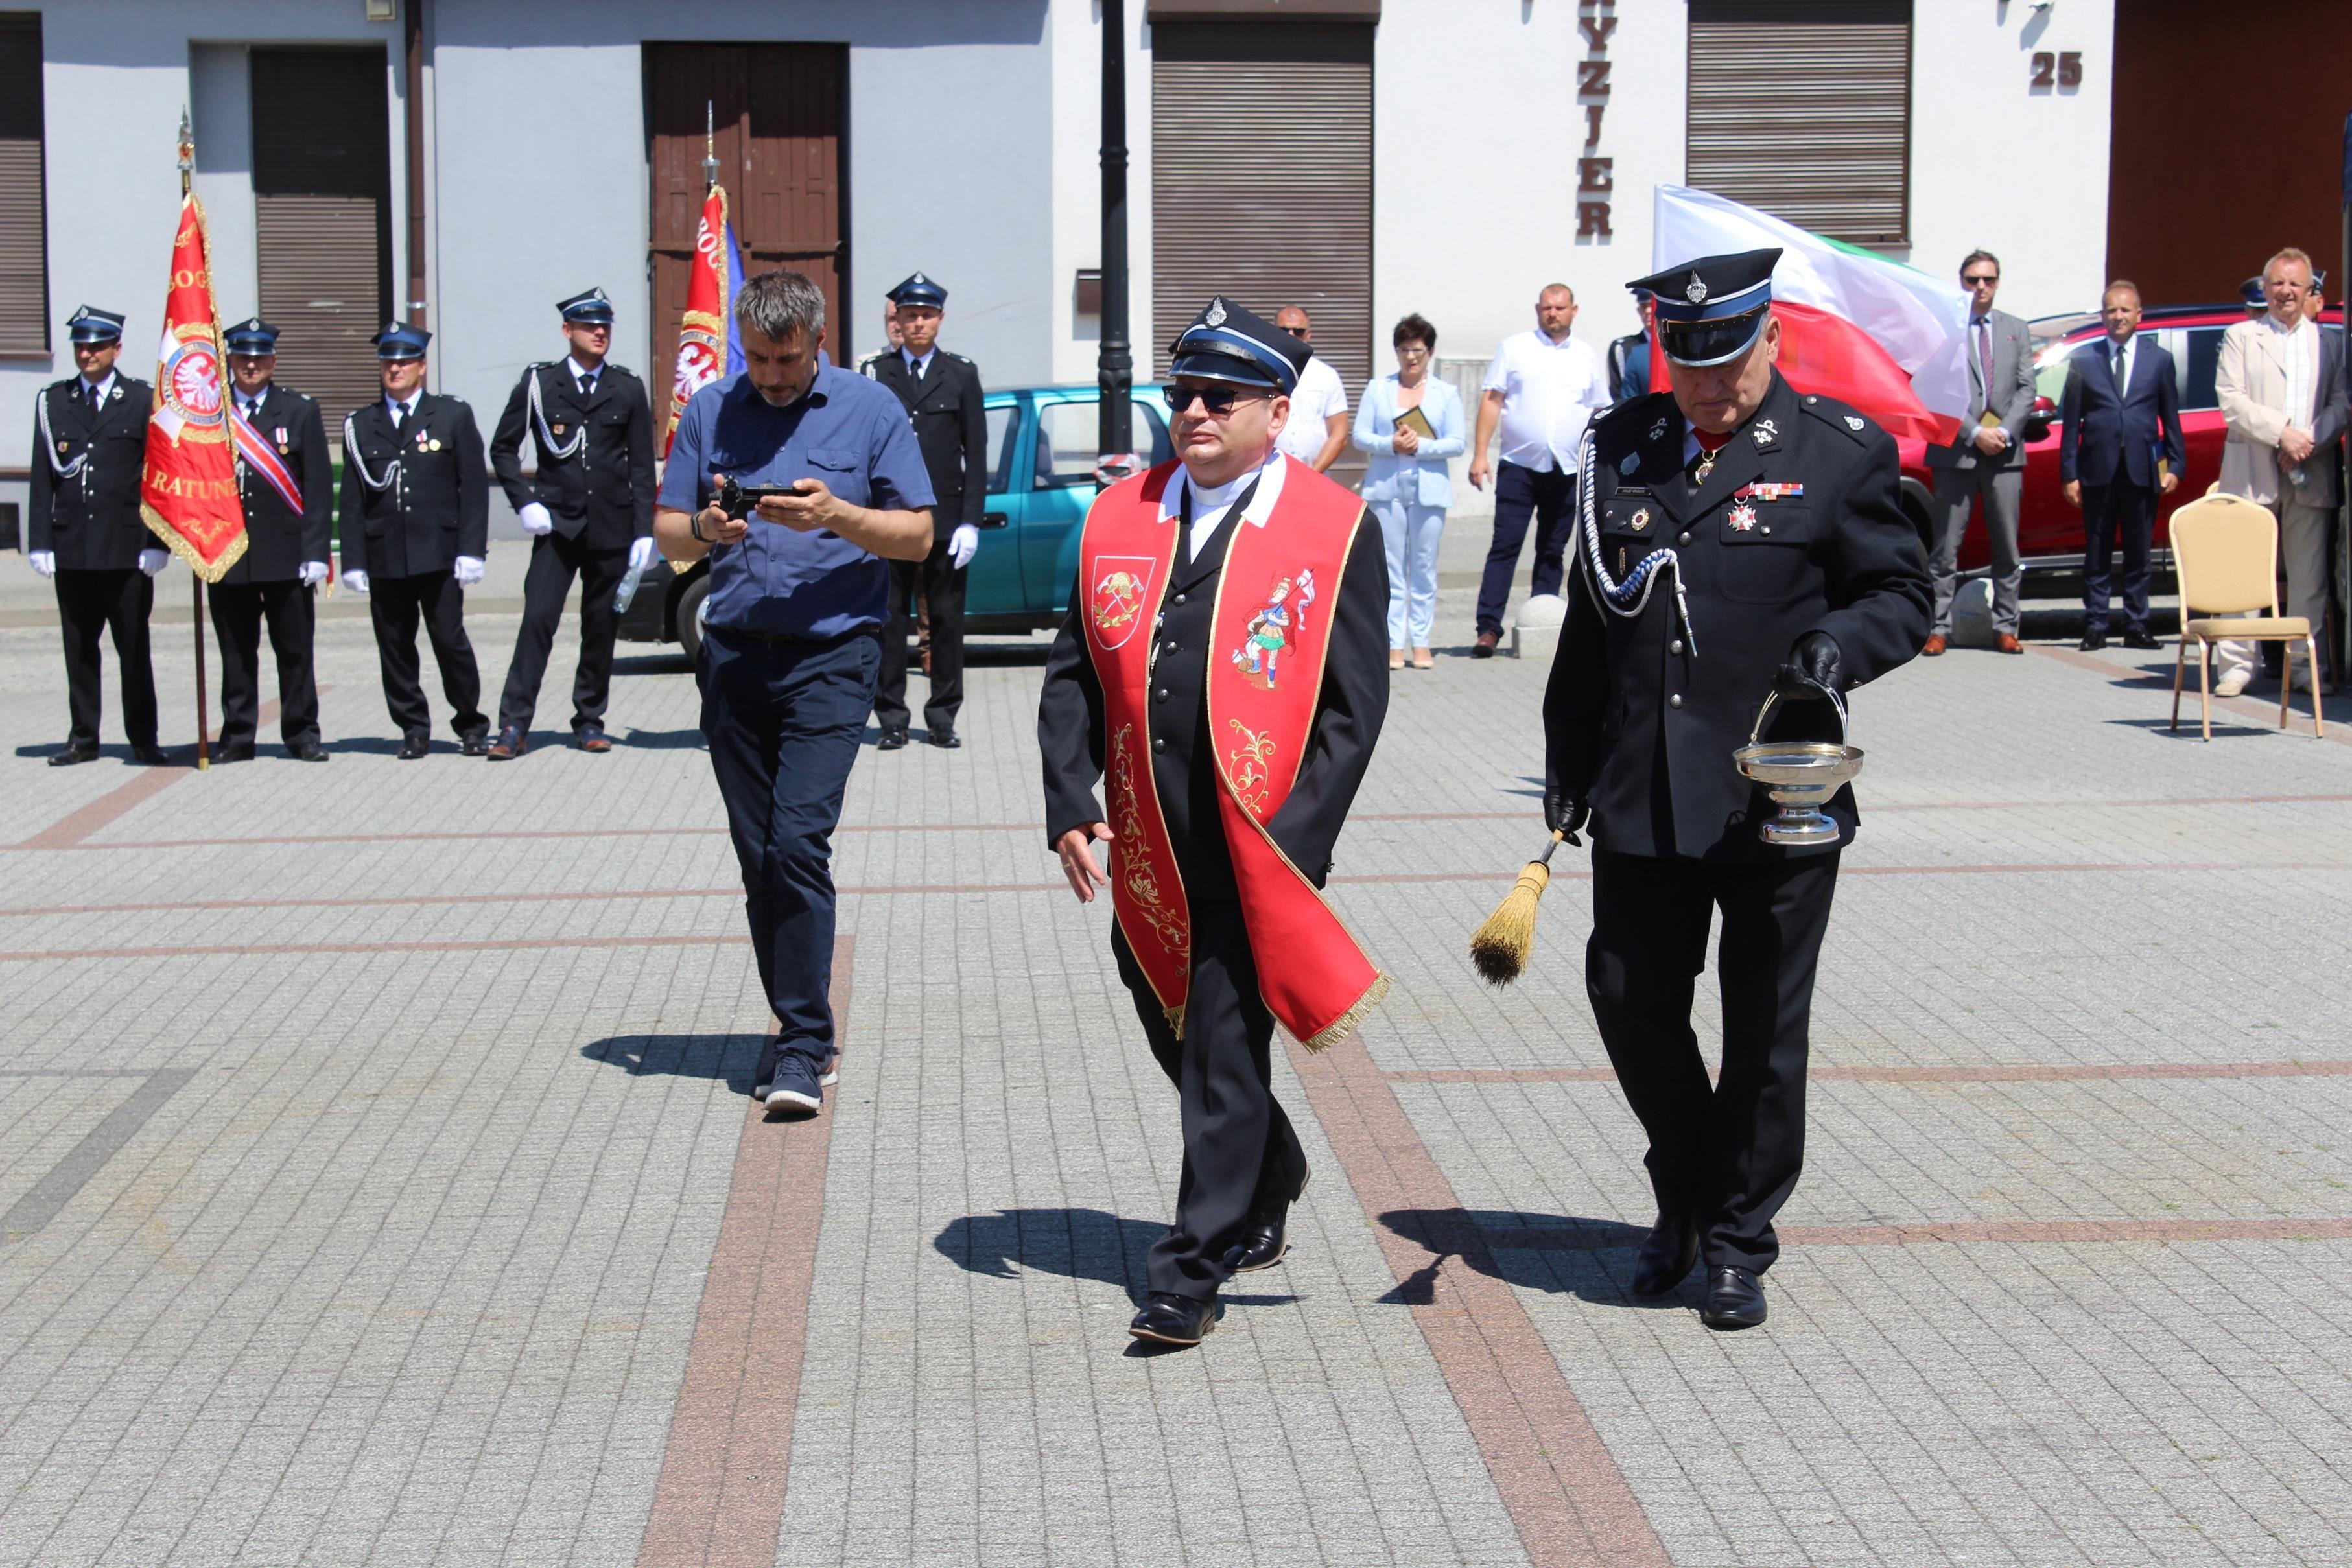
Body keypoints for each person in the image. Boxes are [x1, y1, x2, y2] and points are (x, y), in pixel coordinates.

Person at [1544, 249, 1929, 1331]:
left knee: (1763, 1024)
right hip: (1641, 785)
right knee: (1626, 994)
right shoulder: (1620, 447)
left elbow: (1901, 592)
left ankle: (1734, 1237)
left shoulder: (1838, 453)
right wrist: (1566, 760)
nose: (1707, 386)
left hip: (1777, 786)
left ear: (1771, 340)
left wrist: (1834, 644)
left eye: (1726, 363)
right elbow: (1590, 618)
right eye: (1687, 364)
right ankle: (1685, 1181)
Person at [1038, 296, 1391, 1349]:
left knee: (1222, 1050)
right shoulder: (1118, 514)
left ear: (1274, 414)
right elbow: (1071, 673)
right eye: (1180, 393)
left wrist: (1297, 843)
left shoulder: (1330, 528)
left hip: (1256, 842)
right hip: (1147, 835)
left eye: (1217, 396)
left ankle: (1188, 1269)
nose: (1190, 411)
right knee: (1171, 1021)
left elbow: (1352, 704)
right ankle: (1268, 1169)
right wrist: (1068, 799)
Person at [654, 268, 934, 1117]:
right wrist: (707, 527)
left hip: (833, 655)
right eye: (760, 359)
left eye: (787, 358)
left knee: (797, 843)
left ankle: (805, 1045)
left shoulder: (871, 408)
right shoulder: (711, 410)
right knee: (757, 855)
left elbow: (917, 533)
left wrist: (838, 516)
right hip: (735, 657)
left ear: (819, 342)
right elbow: (667, 525)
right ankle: (793, 1020)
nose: (772, 375)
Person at [486, 287, 658, 758]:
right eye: (588, 325)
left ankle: (589, 719)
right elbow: (502, 448)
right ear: (568, 331)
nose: (599, 332)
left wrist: (645, 531)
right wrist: (524, 502)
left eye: (605, 325)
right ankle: (513, 725)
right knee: (537, 622)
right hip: (557, 526)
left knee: (600, 627)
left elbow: (641, 466)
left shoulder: (626, 387)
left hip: (611, 527)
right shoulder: (540, 385)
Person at [339, 323, 491, 759]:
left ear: (422, 366)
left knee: (449, 640)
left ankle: (470, 722)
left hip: (440, 553)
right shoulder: (361, 424)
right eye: (388, 361)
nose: (395, 368)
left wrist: (471, 549)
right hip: (385, 553)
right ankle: (413, 727)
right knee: (395, 646)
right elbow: (353, 498)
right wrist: (351, 559)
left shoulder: (451, 415)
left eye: (404, 361)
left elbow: (473, 488)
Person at [27, 305, 167, 766]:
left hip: (126, 550)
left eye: (97, 346)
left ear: (116, 349)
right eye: (81, 346)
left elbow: (157, 476)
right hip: (73, 549)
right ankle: (84, 736)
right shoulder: (54, 402)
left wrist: (156, 542)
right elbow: (43, 476)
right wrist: (41, 540)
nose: (88, 354)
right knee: (80, 648)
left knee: (133, 649)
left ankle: (143, 738)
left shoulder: (141, 400)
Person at [2214, 247, 2348, 696]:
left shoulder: (2331, 342)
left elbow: (2341, 404)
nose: (2286, 291)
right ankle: (2236, 665)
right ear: (2265, 288)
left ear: (2311, 291)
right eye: (2277, 283)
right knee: (2246, 572)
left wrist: (2306, 440)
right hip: (2253, 469)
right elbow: (2232, 401)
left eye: (2295, 284)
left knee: (2309, 578)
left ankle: (2306, 667)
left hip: (2311, 468)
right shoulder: (2241, 336)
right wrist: (2282, 435)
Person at [866, 272, 985, 750]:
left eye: (926, 315)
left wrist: (972, 521)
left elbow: (975, 453)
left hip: (945, 518)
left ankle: (942, 717)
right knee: (889, 620)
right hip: (891, 516)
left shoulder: (960, 374)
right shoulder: (878, 372)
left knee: (947, 620)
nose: (918, 323)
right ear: (898, 319)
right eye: (910, 315)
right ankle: (891, 717)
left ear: (940, 319)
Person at [1468, 283, 1610, 657]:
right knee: (1505, 546)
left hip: (1567, 470)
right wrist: (1480, 454)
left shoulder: (1586, 356)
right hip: (1519, 466)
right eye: (1547, 308)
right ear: (1538, 309)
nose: (1553, 314)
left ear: (1574, 311)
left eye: (1560, 308)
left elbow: (1600, 411)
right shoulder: (1515, 348)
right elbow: (1492, 400)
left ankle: (1545, 624)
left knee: (1552, 550)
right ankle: (1488, 629)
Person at [213, 317, 331, 762]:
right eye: (243, 356)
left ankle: (301, 732)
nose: (251, 364)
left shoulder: (299, 410)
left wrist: (316, 551)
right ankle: (239, 734)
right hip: (228, 551)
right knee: (236, 651)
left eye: (260, 357)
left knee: (295, 650)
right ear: (231, 360)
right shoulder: (212, 411)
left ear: (273, 361)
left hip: (287, 553)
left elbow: (317, 487)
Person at [1922, 250, 2036, 656]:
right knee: (1945, 547)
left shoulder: (2015, 329)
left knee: (2006, 544)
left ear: (1998, 282)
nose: (1980, 287)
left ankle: (2006, 625)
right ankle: (1939, 628)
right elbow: (1935, 387)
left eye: (1987, 280)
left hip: (2005, 452)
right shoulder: (1945, 330)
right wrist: (1974, 432)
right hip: (1957, 451)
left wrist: (2004, 431)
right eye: (1973, 280)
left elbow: (2027, 388)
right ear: (1962, 282)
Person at [2059, 281, 2181, 653]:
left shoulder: (2159, 360)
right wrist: (2069, 474)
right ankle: (2096, 624)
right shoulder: (2084, 361)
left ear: (2139, 315)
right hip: (2097, 470)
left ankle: (2137, 623)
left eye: (2125, 310)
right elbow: (2070, 424)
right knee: (2097, 552)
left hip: (2142, 470)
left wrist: (2175, 464)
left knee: (2138, 552)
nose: (2118, 317)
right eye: (2112, 310)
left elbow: (2170, 416)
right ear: (2103, 316)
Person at [1352, 312, 1464, 668]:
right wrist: (1391, 444)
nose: (1410, 357)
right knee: (1390, 566)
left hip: (1428, 489)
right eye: (1403, 350)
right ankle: (1392, 643)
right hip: (1387, 489)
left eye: (1417, 350)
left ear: (1429, 352)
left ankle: (1422, 641)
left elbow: (1457, 443)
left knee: (1423, 566)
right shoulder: (1378, 388)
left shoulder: (1446, 393)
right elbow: (1360, 436)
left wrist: (1420, 447)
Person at [1271, 306, 1349, 473]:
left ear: (1308, 335)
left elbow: (1339, 434)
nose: (1291, 335)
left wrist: (1313, 475)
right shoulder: (1260, 372)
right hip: (1265, 475)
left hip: (1315, 476)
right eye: (1284, 329)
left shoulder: (1327, 376)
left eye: (1298, 331)